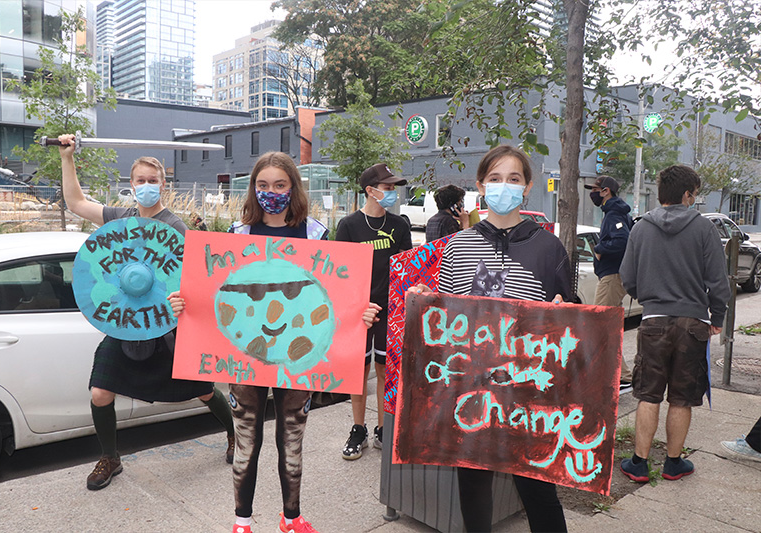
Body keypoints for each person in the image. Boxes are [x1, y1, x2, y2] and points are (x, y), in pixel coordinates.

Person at [169, 152, 380, 533]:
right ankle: (242, 522)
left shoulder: (315, 234)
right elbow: (214, 293)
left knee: (292, 441)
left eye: (280, 185)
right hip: (245, 358)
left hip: (297, 357)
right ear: (253, 188)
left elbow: (335, 297)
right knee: (247, 442)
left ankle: (291, 518)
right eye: (263, 185)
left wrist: (359, 316)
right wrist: (185, 303)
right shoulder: (237, 235)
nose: (271, 192)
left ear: (293, 187)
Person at [56, 134, 235, 491]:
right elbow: (75, 202)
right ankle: (110, 457)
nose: (147, 186)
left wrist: (183, 300)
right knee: (100, 393)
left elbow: (198, 281)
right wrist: (67, 157)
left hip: (166, 327)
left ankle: (235, 436)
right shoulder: (118, 217)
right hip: (126, 325)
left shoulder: (175, 228)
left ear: (163, 186)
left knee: (203, 391)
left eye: (154, 181)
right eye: (141, 181)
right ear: (132, 184)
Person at [410, 145, 569, 533]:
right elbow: (445, 318)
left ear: (527, 187)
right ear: (481, 185)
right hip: (472, 389)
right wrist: (420, 306)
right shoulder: (458, 245)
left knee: (538, 490)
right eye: (495, 179)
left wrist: (565, 312)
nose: (504, 186)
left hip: (528, 392)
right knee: (473, 486)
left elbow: (569, 323)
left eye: (513, 179)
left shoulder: (549, 248)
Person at [619, 164, 730, 483]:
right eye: (694, 193)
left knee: (648, 394)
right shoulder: (705, 229)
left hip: (653, 322)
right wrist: (717, 317)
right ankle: (673, 463)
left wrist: (649, 297)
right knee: (682, 397)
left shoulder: (640, 228)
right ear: (686, 195)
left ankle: (639, 464)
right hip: (693, 324)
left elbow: (627, 278)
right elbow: (718, 283)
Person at [335, 163, 412, 460]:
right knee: (358, 373)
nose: (392, 192)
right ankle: (358, 429)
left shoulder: (400, 226)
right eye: (388, 187)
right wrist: (354, 306)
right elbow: (339, 273)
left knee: (384, 371)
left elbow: (408, 268)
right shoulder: (349, 226)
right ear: (370, 190)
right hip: (358, 311)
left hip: (390, 310)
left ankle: (383, 428)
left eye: (393, 187)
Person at [584, 175, 634, 391]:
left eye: (594, 189)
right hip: (613, 276)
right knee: (608, 326)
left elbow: (622, 241)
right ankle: (620, 373)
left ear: (605, 191)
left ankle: (622, 375)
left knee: (602, 325)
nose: (591, 193)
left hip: (612, 277)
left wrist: (599, 249)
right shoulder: (614, 212)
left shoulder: (613, 213)